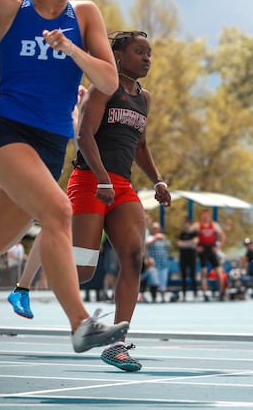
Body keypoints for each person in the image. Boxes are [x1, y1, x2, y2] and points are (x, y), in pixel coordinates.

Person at [0, 0, 129, 352]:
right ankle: (81, 324)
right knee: (58, 210)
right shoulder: (10, 7)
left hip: (51, 146)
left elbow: (108, 79)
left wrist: (70, 48)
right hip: (8, 133)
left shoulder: (84, 15)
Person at [68, 29, 170, 370]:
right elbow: (83, 135)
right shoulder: (103, 87)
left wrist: (157, 180)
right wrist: (100, 178)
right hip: (90, 180)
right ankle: (47, 249)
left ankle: (117, 343)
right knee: (83, 270)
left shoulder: (145, 98)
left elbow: (140, 146)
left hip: (122, 186)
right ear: (118, 56)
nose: (146, 58)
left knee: (134, 256)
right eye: (139, 51)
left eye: (149, 53)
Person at [8, 85, 87, 318]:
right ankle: (22, 289)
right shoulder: (53, 100)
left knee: (53, 221)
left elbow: (78, 142)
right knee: (6, 238)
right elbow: (78, 139)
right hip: (26, 172)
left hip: (43, 174)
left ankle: (22, 289)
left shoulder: (68, 101)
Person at [193, 210, 226, 300]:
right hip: (203, 250)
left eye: (207, 215)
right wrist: (196, 246)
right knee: (204, 272)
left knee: (219, 271)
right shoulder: (197, 225)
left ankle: (221, 293)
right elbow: (190, 235)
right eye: (204, 215)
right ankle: (205, 294)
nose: (205, 217)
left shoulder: (214, 225)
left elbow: (223, 235)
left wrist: (219, 248)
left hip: (212, 249)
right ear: (201, 216)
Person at [145, 222, 172, 303]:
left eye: (157, 228)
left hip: (163, 263)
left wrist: (165, 240)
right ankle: (154, 298)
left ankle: (163, 298)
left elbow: (169, 246)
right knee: (154, 282)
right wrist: (156, 238)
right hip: (154, 265)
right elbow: (147, 244)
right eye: (154, 228)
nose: (156, 230)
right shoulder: (150, 237)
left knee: (163, 282)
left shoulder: (163, 238)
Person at [177, 216, 199, 301]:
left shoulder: (194, 233)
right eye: (184, 224)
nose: (185, 226)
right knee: (183, 276)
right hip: (183, 257)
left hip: (192, 257)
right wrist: (189, 243)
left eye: (187, 224)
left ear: (190, 224)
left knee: (193, 276)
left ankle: (195, 295)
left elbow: (195, 242)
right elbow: (179, 244)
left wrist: (185, 243)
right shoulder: (182, 234)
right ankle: (184, 295)